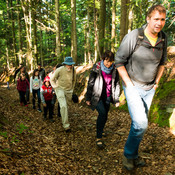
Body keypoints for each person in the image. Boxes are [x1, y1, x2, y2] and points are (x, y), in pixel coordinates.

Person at [115, 4, 167, 170]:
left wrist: (157, 82)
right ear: (148, 19)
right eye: (156, 19)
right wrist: (128, 85)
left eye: (163, 19)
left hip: (149, 89)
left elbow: (162, 63)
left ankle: (134, 155)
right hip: (133, 86)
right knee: (141, 123)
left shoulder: (163, 38)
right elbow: (119, 61)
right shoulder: (135, 36)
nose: (159, 23)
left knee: (138, 124)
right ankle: (128, 155)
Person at [86, 50, 120, 149]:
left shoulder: (115, 68)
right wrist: (88, 97)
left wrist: (116, 99)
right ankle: (98, 137)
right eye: (106, 61)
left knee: (105, 115)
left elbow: (117, 84)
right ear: (103, 59)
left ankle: (101, 129)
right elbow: (90, 82)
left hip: (108, 95)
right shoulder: (96, 67)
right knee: (102, 113)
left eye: (110, 61)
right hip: (97, 95)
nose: (108, 63)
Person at [50, 57, 76, 132]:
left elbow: (74, 80)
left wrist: (72, 89)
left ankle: (63, 117)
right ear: (65, 64)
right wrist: (55, 87)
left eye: (71, 65)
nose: (69, 66)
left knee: (66, 106)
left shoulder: (73, 70)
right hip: (60, 89)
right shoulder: (59, 69)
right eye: (68, 65)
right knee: (63, 106)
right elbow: (52, 79)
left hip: (69, 90)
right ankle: (66, 125)